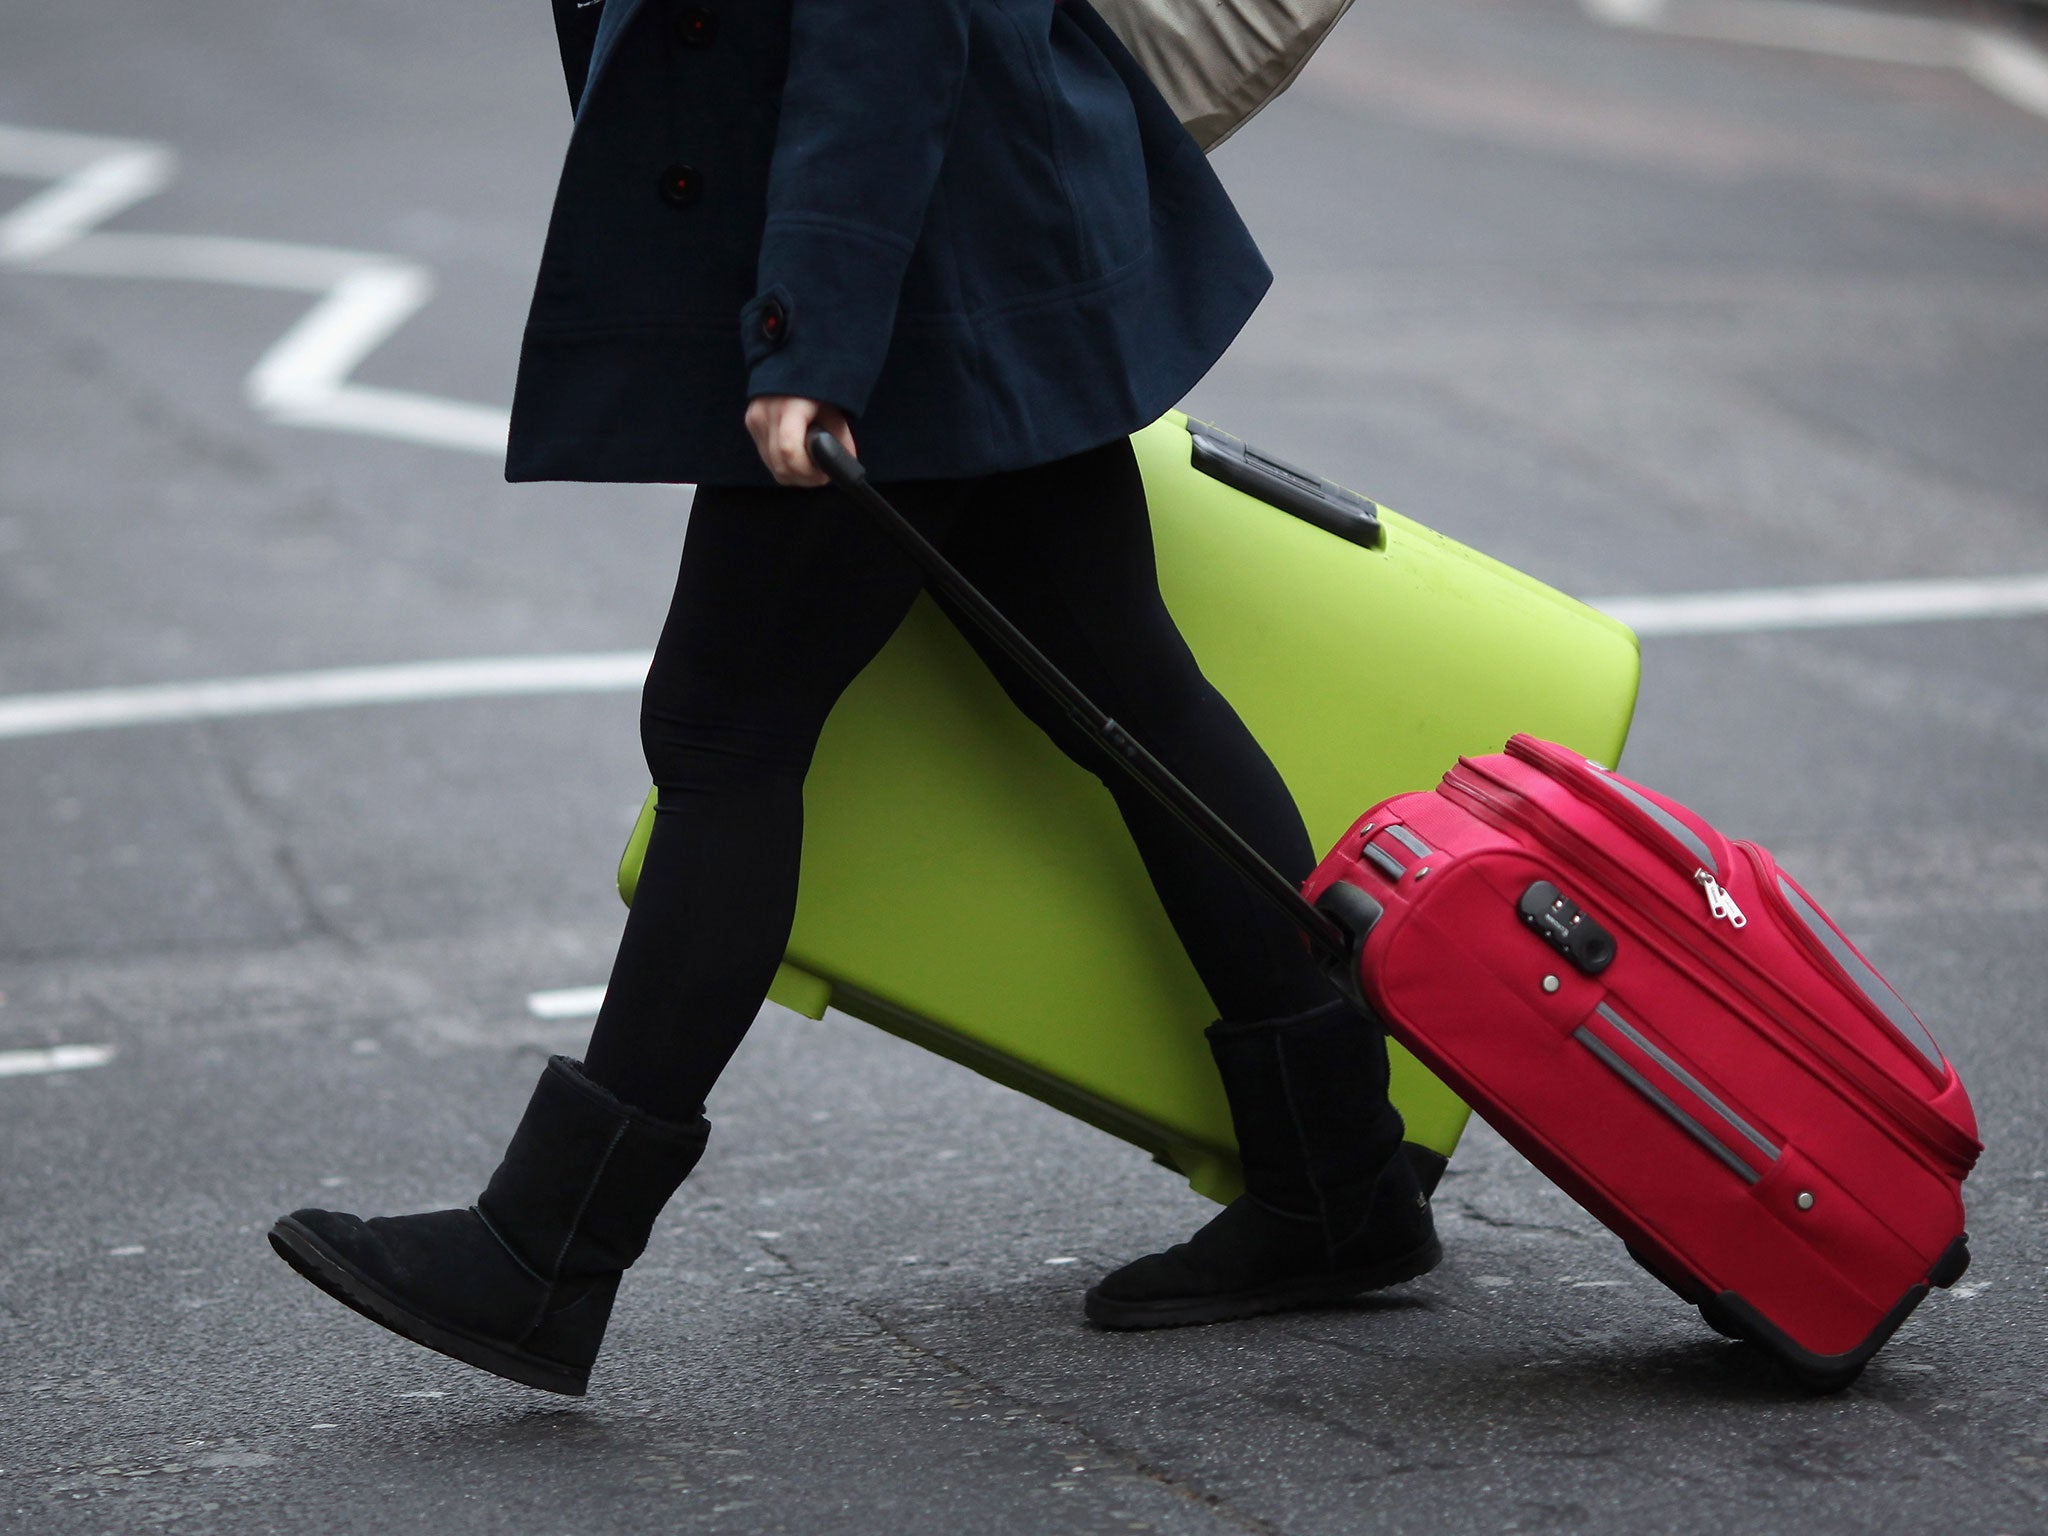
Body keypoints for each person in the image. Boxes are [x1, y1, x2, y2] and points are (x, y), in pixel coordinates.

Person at [267, 0, 1439, 1396]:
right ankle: (1342, 1181)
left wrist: (817, 335)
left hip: (908, 274)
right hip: (968, 233)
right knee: (1123, 686)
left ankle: (542, 1254)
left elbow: (884, 22)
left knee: (725, 730)